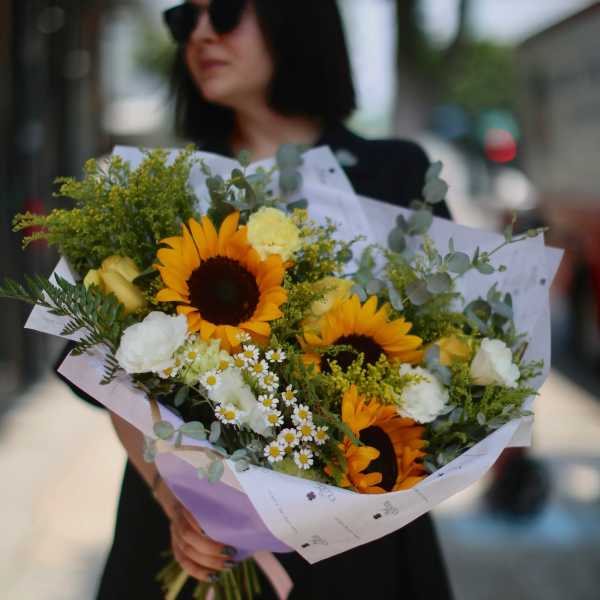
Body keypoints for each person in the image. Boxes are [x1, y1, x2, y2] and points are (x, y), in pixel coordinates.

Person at [54, 1, 454, 598]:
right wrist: (173, 500)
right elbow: (108, 370)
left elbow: (447, 363)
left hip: (355, 540)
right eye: (184, 20)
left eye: (225, 12)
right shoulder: (160, 184)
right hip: (191, 538)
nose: (201, 35)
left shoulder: (396, 175)